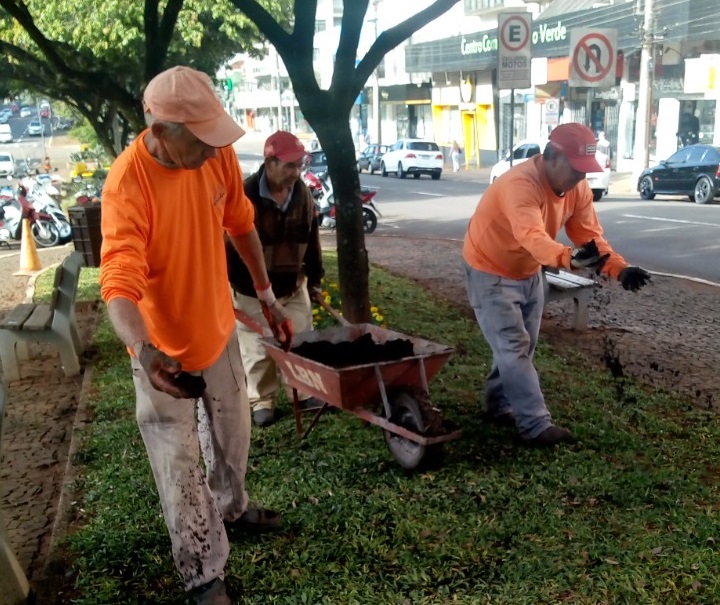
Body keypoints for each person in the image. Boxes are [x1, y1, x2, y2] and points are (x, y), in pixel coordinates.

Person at [99, 66, 293, 605]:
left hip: (218, 331)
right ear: (161, 130)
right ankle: (204, 573)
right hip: (162, 353)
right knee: (179, 466)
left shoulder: (217, 156)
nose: (215, 151)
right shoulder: (127, 184)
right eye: (202, 139)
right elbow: (118, 279)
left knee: (234, 439)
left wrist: (267, 296)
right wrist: (145, 351)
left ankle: (231, 507)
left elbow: (240, 221)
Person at [463, 123, 651, 447]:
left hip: (528, 272)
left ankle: (498, 405)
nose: (581, 177)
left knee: (521, 347)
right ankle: (535, 425)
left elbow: (590, 238)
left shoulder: (577, 189)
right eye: (576, 168)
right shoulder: (520, 185)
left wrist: (620, 269)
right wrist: (568, 258)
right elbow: (532, 237)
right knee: (512, 347)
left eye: (586, 170)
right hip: (490, 270)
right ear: (551, 156)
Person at [227, 130, 325, 428]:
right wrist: (231, 284)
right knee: (258, 347)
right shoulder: (245, 195)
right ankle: (262, 400)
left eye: (300, 166)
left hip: (292, 285)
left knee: (300, 339)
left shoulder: (303, 194)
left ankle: (303, 391)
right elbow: (229, 246)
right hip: (250, 289)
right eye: (290, 166)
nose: (297, 172)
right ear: (270, 162)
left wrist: (315, 277)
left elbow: (312, 237)